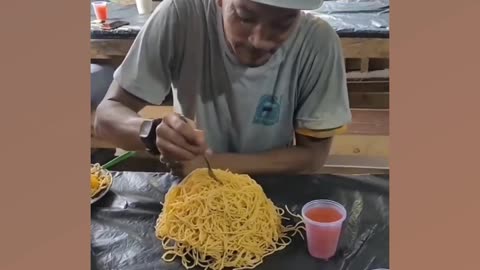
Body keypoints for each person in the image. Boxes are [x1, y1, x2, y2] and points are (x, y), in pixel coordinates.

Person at [94, 0, 352, 176]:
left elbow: (313, 156)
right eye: (245, 16)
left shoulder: (318, 41)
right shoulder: (182, 15)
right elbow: (107, 115)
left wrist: (209, 164)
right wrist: (151, 133)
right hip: (195, 192)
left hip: (275, 186)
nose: (260, 40)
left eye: (283, 23)